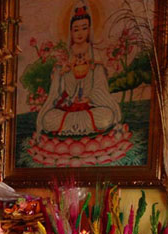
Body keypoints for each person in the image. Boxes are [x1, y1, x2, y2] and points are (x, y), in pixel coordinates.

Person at [28, 0, 132, 167]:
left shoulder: (96, 57)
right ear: (70, 31)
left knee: (106, 117)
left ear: (90, 29)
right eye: (76, 29)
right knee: (48, 119)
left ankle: (67, 139)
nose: (80, 33)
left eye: (84, 28)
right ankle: (84, 137)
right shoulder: (64, 59)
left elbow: (100, 90)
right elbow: (57, 95)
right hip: (67, 111)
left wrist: (91, 89)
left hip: (90, 109)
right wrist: (60, 76)